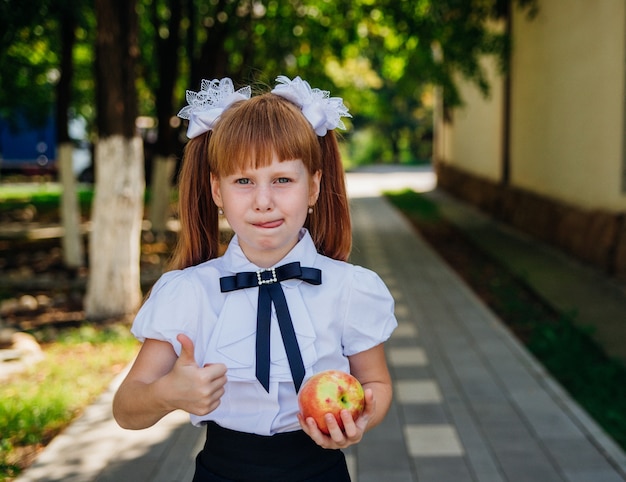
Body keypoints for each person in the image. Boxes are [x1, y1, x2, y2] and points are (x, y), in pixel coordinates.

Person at [112, 76, 397, 482]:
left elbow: (376, 383)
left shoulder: (350, 289)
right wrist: (167, 394)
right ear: (216, 190)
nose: (263, 201)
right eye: (243, 181)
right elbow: (126, 408)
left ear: (314, 186)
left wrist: (360, 421)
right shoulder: (190, 292)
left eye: (283, 180)